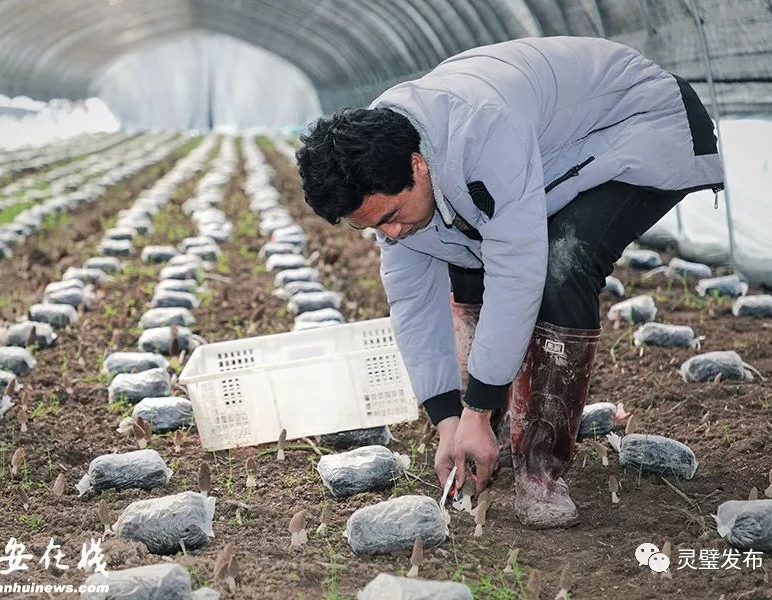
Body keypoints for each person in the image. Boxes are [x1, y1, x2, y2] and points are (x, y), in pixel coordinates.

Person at [295, 36, 724, 528]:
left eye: (391, 215)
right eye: (373, 227)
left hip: (638, 127)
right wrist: (447, 420)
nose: (390, 233)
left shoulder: (479, 130)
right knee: (457, 245)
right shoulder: (381, 156)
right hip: (555, 155)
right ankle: (483, 436)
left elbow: (517, 268)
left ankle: (541, 465)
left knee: (562, 265)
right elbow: (413, 302)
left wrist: (475, 408)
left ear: (418, 165)